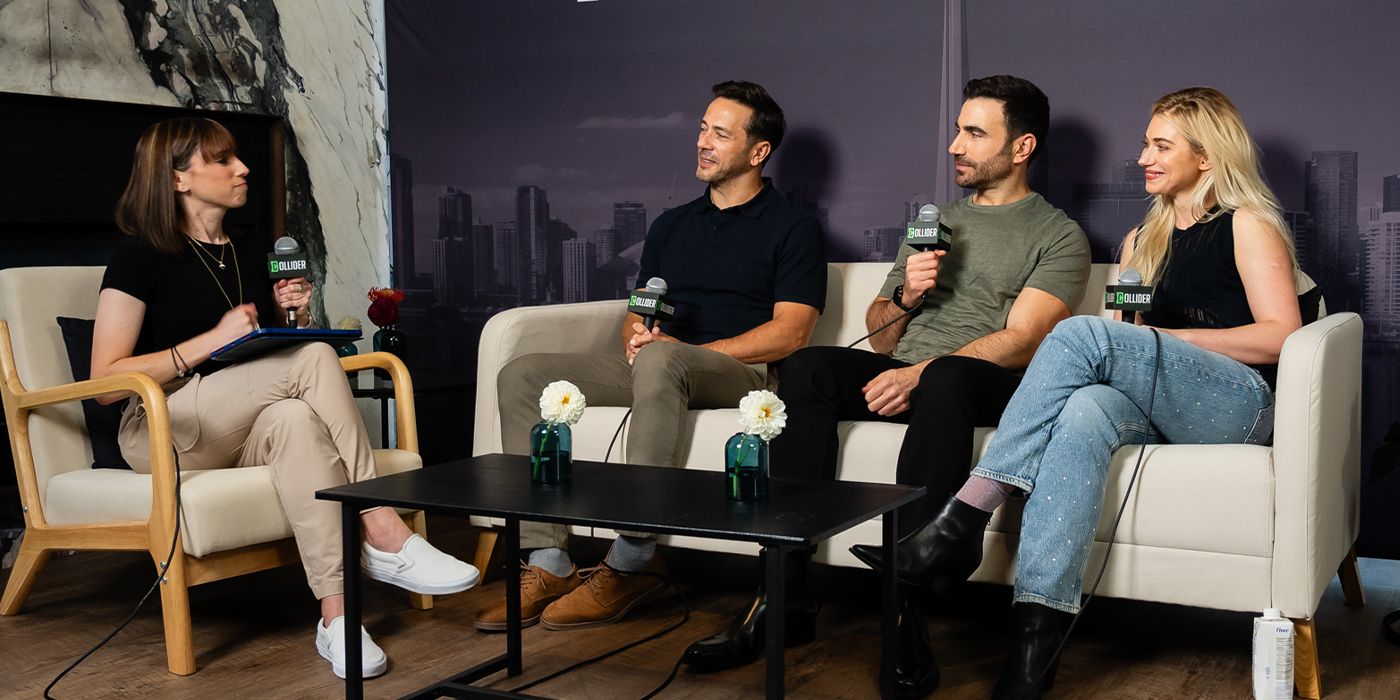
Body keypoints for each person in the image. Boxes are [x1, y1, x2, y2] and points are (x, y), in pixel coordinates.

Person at [857, 86, 1305, 699]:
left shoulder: (1245, 225)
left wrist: (1164, 341)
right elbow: (1126, 336)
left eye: (1160, 145)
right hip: (1159, 396)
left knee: (1076, 334)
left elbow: (1284, 336)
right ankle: (1032, 659)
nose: (1144, 155)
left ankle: (961, 517)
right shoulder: (1140, 243)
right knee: (1084, 411)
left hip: (1239, 405)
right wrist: (1136, 341)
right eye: (1146, 142)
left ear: (1206, 158)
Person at [682, 75, 1091, 699]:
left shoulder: (1058, 235)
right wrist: (908, 294)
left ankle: (907, 610)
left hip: (982, 384)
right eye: (957, 129)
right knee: (811, 367)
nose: (955, 145)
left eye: (975, 133)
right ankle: (783, 597)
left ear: (1022, 146)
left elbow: (1026, 340)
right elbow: (879, 337)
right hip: (908, 374)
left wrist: (921, 373)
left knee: (948, 377)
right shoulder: (934, 223)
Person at [92, 117, 480, 680]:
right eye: (223, 159)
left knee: (298, 417)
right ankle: (382, 523)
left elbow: (265, 360)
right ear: (178, 178)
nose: (242, 168)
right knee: (317, 358)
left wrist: (293, 317)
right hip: (162, 424)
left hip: (241, 420)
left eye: (237, 157)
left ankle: (337, 618)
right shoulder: (139, 256)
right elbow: (105, 381)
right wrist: (210, 341)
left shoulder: (248, 253)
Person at [480, 81, 827, 633]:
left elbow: (792, 332)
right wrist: (636, 337)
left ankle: (635, 559)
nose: (702, 142)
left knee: (665, 362)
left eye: (720, 133)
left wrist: (680, 352)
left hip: (741, 374)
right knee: (523, 374)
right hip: (663, 362)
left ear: (758, 152)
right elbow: (639, 309)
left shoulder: (794, 228)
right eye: (701, 128)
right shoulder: (671, 225)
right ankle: (548, 561)